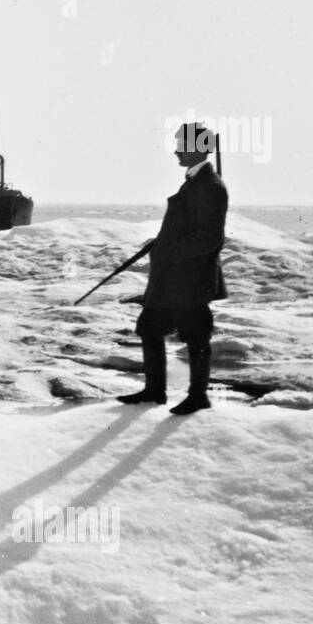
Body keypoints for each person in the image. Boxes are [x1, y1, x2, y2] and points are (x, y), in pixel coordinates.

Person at [117, 121, 228, 414]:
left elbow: (209, 238)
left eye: (182, 145)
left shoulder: (211, 186)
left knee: (196, 336)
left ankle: (198, 396)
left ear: (199, 148)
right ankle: (155, 391)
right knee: (149, 328)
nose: (177, 150)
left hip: (190, 279)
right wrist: (161, 243)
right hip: (173, 279)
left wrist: (170, 250)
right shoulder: (195, 181)